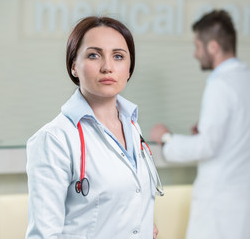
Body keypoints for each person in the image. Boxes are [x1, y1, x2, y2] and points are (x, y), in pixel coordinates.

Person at [26, 16, 162, 239]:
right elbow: (43, 235)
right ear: (73, 67)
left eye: (118, 56)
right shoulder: (54, 139)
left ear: (129, 69)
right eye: (94, 55)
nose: (108, 67)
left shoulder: (131, 125)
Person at [149, 10, 250, 239]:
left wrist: (167, 138)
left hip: (223, 213)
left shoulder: (220, 84)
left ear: (213, 47)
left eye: (198, 46)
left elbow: (206, 147)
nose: (195, 54)